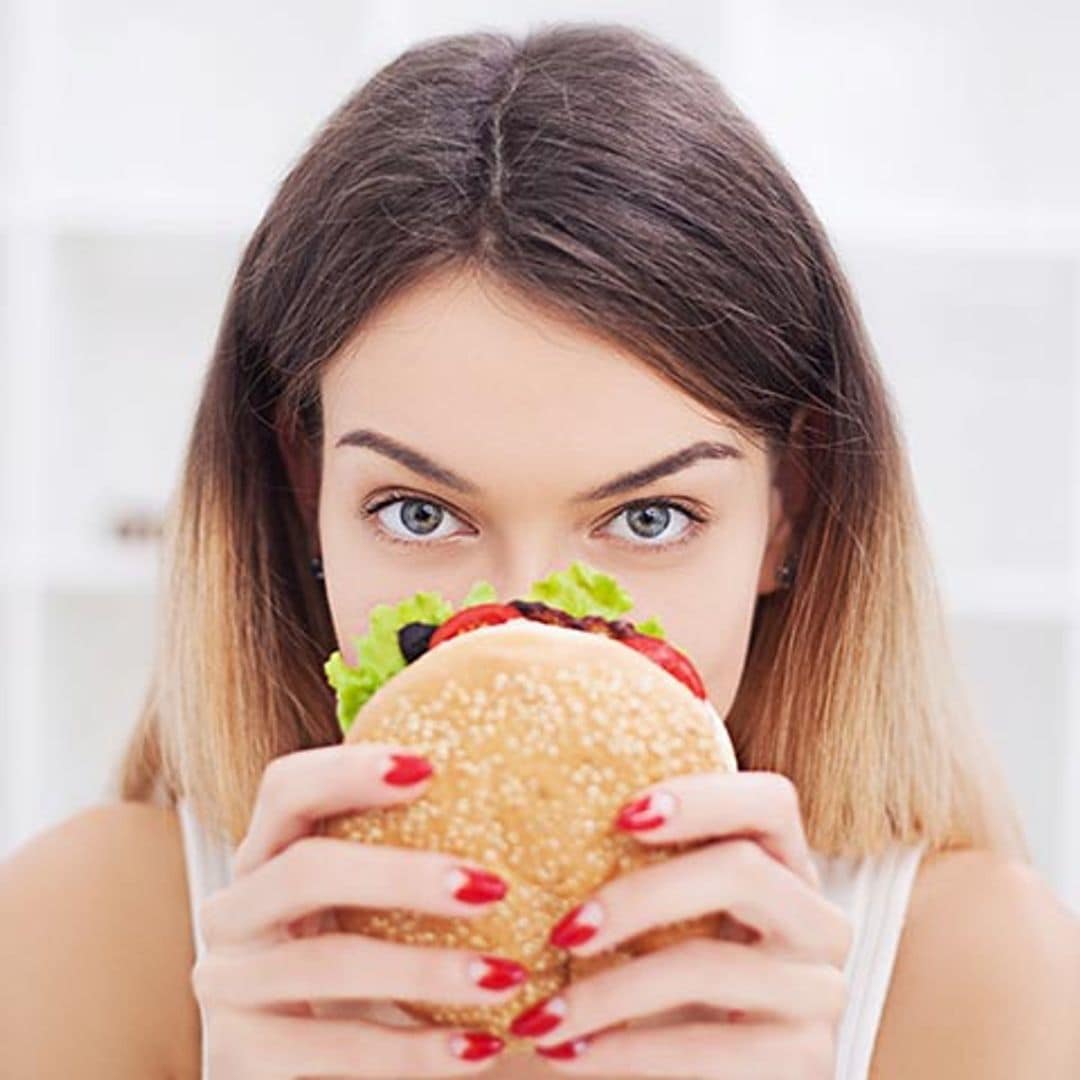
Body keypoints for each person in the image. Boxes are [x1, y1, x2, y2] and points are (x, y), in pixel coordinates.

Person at [2, 21, 1077, 1080]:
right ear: (304, 490)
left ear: (787, 508)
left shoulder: (984, 972)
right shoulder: (86, 932)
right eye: (419, 513)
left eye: (650, 517)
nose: (519, 628)